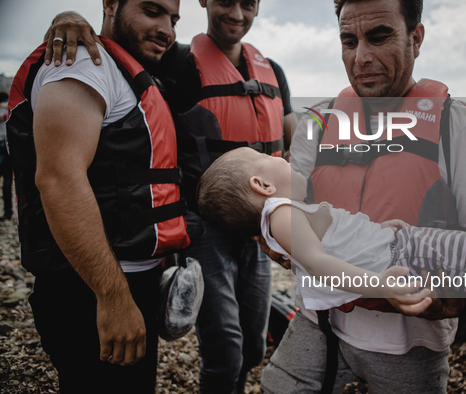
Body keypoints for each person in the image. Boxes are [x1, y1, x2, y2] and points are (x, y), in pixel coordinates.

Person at [44, 1, 293, 392]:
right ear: (205, 1)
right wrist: (68, 20)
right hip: (205, 230)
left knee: (254, 345)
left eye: (248, 3)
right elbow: (114, 48)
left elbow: (294, 136)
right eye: (227, 0)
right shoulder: (176, 62)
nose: (237, 12)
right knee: (224, 348)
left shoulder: (272, 71)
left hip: (261, 228)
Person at [198, 146, 466, 394]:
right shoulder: (278, 212)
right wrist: (379, 283)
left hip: (400, 247)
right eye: (269, 158)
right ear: (261, 183)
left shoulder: (286, 213)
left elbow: (337, 240)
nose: (281, 157)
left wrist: (379, 231)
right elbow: (319, 263)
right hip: (408, 254)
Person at [262, 0, 466, 392]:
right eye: (348, 41)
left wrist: (455, 296)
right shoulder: (316, 124)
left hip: (410, 341)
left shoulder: (462, 128)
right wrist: (275, 239)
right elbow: (283, 214)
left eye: (379, 37)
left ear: (416, 37)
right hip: (317, 318)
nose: (361, 57)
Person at [6, 1, 190, 393]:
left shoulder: (123, 68)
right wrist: (113, 298)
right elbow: (58, 179)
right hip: (90, 287)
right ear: (111, 3)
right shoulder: (81, 64)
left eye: (173, 19)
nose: (167, 30)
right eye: (152, 10)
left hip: (123, 280)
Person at [0, 91, 12, 220]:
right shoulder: (10, 107)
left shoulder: (7, 108)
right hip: (7, 145)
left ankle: (8, 211)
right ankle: (8, 211)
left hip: (4, 145)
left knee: (7, 183)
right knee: (7, 183)